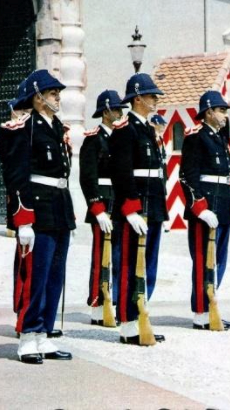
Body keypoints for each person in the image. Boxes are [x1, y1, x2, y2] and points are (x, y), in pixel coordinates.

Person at [0, 69, 76, 364]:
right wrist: (23, 219)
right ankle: (28, 337)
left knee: (55, 276)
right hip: (37, 211)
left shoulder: (57, 128)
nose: (58, 97)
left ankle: (44, 334)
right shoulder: (23, 128)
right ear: (38, 96)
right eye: (53, 92)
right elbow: (15, 176)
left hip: (59, 208)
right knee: (35, 276)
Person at [109, 73, 167, 345]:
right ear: (138, 97)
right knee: (129, 264)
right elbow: (121, 174)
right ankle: (128, 322)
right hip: (135, 209)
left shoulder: (147, 130)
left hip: (153, 208)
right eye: (152, 95)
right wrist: (131, 210)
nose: (156, 100)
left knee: (149, 266)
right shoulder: (125, 130)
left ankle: (142, 313)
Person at [180, 91, 230, 331]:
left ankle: (211, 304)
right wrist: (200, 208)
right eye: (221, 110)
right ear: (209, 112)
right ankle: (201, 312)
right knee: (204, 261)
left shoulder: (221, 139)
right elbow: (187, 176)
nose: (225, 115)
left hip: (222, 206)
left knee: (219, 261)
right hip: (205, 208)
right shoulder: (196, 137)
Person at [78, 90, 126, 327]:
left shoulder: (121, 138)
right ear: (105, 112)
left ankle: (114, 301)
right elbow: (88, 177)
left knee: (118, 255)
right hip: (103, 202)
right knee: (100, 256)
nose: (119, 113)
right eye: (116, 109)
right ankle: (97, 303)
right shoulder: (93, 140)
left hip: (119, 202)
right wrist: (97, 208)